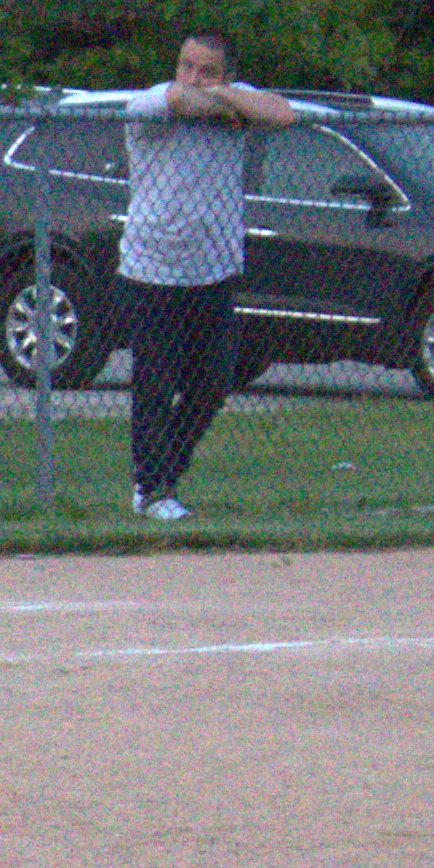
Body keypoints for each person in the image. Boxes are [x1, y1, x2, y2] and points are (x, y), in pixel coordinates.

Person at [116, 28, 295, 520]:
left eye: (207, 71)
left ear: (228, 76)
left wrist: (228, 100)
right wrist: (226, 105)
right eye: (186, 65)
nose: (192, 77)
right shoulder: (153, 102)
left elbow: (281, 114)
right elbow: (178, 100)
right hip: (151, 270)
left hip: (213, 270)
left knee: (212, 383)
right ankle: (152, 488)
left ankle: (164, 477)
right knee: (155, 384)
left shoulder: (236, 98)